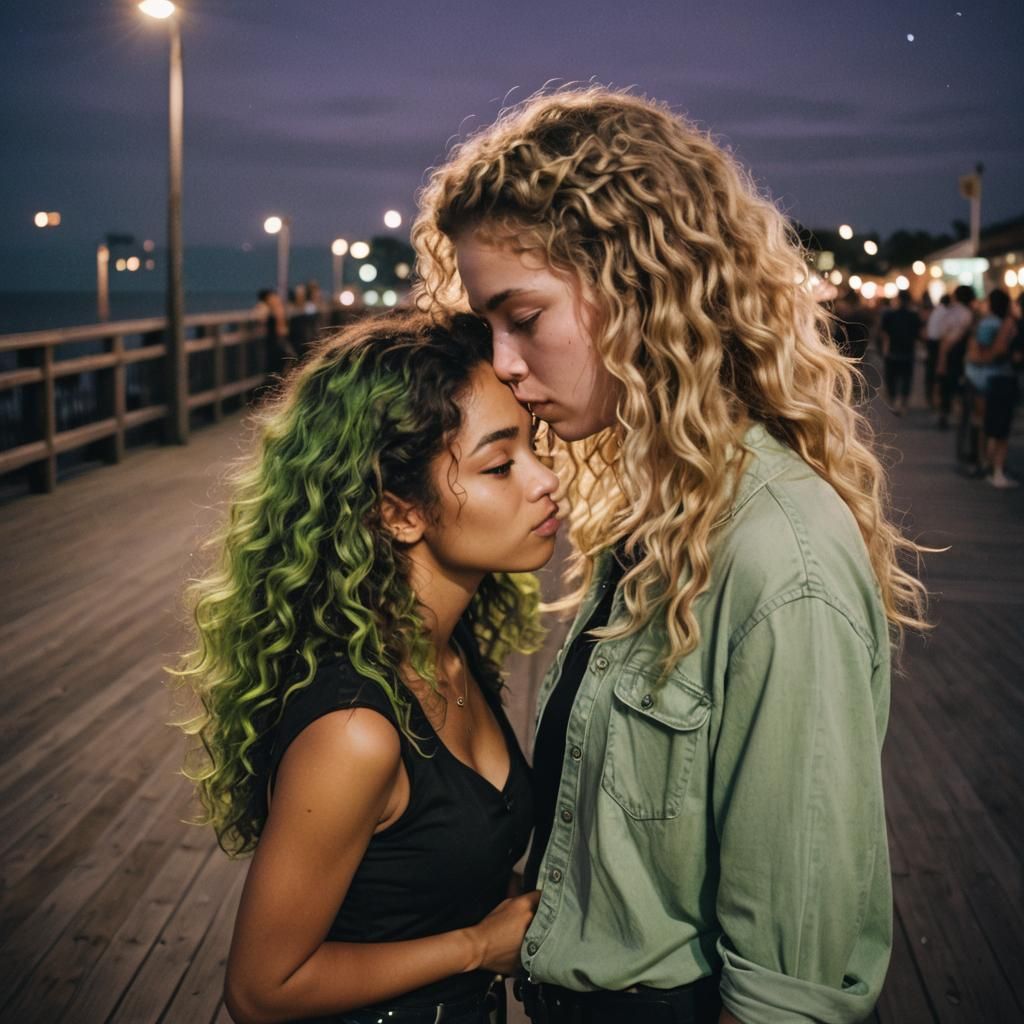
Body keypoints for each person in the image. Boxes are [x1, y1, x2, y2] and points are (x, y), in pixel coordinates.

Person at [413, 86, 928, 1024]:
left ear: (637, 287)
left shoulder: (782, 556)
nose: (504, 365)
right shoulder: (662, 512)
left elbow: (791, 986)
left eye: (523, 318)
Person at [176, 310, 561, 1023]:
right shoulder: (356, 729)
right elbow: (262, 990)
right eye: (501, 464)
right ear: (398, 513)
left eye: (534, 446)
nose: (545, 480)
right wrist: (477, 945)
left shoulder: (446, 654)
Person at [965, 288, 1019, 487]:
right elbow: (989, 351)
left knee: (983, 421)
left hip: (980, 378)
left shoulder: (986, 323)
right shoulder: (999, 324)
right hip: (995, 377)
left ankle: (984, 463)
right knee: (996, 425)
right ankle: (992, 467)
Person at [936, 284, 976, 430]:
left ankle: (945, 413)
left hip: (949, 350)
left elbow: (943, 336)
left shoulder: (949, 312)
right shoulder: (968, 313)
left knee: (947, 384)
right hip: (962, 352)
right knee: (961, 385)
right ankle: (962, 415)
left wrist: (941, 359)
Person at [879, 290, 923, 415]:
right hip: (908, 352)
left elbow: (885, 334)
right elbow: (918, 335)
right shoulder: (914, 316)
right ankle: (903, 404)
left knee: (891, 378)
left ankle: (893, 402)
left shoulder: (889, 315)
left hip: (893, 351)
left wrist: (885, 350)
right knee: (906, 378)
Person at [257, 287, 295, 380]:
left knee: (280, 363)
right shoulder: (267, 308)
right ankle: (279, 382)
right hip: (275, 342)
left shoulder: (275, 309)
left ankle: (278, 382)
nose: (276, 299)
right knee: (281, 362)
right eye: (273, 297)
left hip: (275, 342)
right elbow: (282, 329)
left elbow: (282, 329)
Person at [924, 293, 951, 410]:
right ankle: (935, 399)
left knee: (931, 369)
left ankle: (930, 396)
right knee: (938, 371)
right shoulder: (945, 312)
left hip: (931, 342)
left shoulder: (936, 311)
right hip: (937, 343)